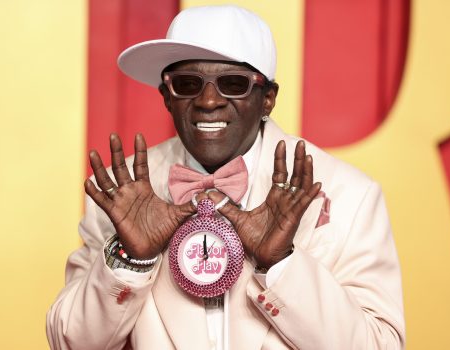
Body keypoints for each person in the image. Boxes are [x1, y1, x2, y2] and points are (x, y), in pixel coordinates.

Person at [47, 5, 405, 350]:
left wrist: (281, 265)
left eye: (233, 83)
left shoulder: (348, 195)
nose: (208, 101)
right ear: (166, 98)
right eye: (187, 83)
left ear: (267, 99)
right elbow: (70, 342)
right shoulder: (121, 194)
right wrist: (130, 260)